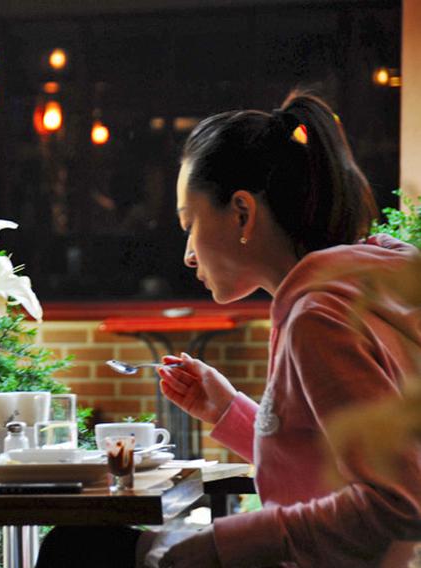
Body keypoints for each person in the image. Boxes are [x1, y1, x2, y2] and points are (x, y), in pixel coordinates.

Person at [38, 92, 421, 568]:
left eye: (189, 224)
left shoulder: (318, 316)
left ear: (242, 213)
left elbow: (398, 506)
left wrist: (217, 546)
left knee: (75, 549)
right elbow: (321, 465)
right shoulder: (366, 284)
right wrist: (227, 409)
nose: (188, 255)